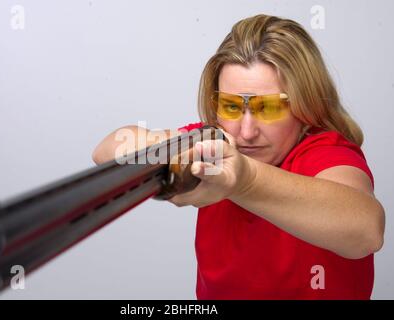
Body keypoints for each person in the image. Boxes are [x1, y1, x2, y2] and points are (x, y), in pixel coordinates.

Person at [92, 14, 385, 299]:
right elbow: (107, 150)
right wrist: (171, 155)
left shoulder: (325, 151)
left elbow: (366, 230)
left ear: (305, 106)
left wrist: (244, 180)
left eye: (268, 108)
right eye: (231, 106)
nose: (246, 132)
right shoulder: (215, 140)